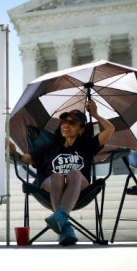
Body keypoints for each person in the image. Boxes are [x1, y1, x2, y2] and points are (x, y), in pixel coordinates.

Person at [9, 99, 115, 246]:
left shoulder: (87, 146)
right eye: (64, 121)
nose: (66, 125)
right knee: (57, 176)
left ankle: (61, 218)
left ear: (81, 129)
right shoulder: (50, 147)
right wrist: (15, 153)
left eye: (73, 123)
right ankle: (63, 224)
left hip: (79, 189)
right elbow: (27, 158)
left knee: (74, 173)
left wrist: (95, 114)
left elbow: (110, 129)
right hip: (51, 187)